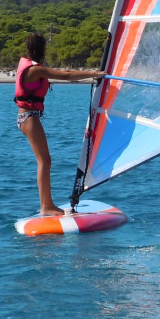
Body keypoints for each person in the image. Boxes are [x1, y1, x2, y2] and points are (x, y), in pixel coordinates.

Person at [15, 33, 105, 216]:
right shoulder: (34, 70)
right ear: (41, 49)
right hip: (28, 118)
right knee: (44, 160)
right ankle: (46, 206)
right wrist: (94, 74)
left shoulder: (28, 65)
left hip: (29, 117)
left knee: (45, 160)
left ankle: (47, 205)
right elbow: (66, 75)